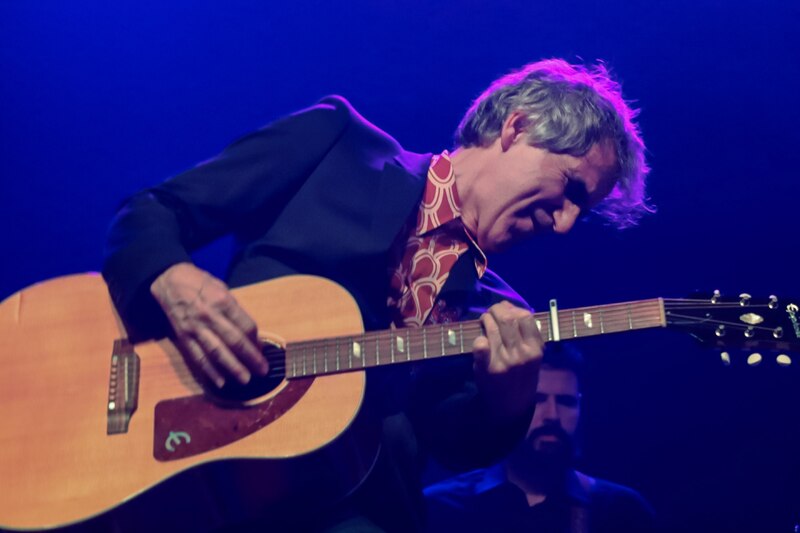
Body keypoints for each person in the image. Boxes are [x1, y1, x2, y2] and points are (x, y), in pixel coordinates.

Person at [102, 58, 650, 532]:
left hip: (347, 511)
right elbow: (152, 211)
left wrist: (508, 397)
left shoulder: (497, 314)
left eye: (585, 210)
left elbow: (452, 442)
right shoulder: (338, 144)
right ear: (516, 127)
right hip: (186, 459)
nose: (565, 224)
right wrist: (171, 277)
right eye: (571, 190)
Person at [424, 344, 656, 533]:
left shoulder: (621, 512)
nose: (552, 416)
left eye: (566, 402)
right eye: (538, 400)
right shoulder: (440, 507)